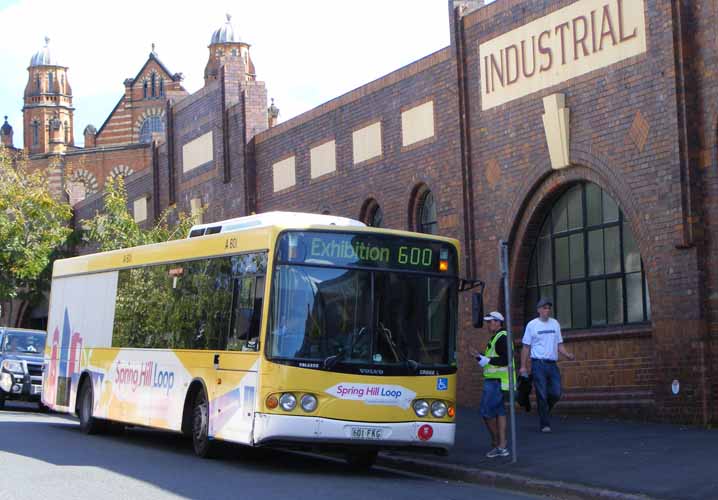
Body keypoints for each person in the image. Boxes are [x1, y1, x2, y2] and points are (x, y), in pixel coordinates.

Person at [519, 298, 574, 433]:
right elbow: (526, 347)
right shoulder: (532, 325)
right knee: (541, 394)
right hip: (538, 364)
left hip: (552, 364)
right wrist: (523, 366)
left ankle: (544, 410)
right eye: (544, 308)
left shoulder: (555, 324)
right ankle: (545, 424)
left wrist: (567, 354)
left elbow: (559, 344)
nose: (547, 310)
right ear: (538, 310)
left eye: (548, 308)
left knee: (556, 392)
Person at [471, 311, 514, 458]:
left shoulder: (502, 338)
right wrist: (480, 357)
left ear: (497, 322)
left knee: (486, 412)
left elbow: (505, 360)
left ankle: (497, 442)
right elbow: (493, 359)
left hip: (496, 382)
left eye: (490, 322)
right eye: (488, 322)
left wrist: (485, 359)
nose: (488, 325)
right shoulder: (498, 337)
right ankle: (502, 445)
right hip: (499, 381)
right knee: (500, 413)